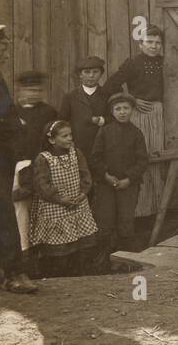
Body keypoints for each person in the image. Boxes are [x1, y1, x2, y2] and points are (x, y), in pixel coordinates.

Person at [0, 27, 37, 294]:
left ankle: (5, 268)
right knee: (1, 209)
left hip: (1, 156)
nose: (7, 53)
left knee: (0, 209)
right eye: (3, 47)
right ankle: (12, 273)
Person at [28, 120, 100, 270]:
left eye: (70, 135)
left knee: (80, 244)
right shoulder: (44, 159)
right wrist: (60, 199)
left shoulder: (76, 153)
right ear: (52, 139)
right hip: (55, 206)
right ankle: (58, 273)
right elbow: (42, 185)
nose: (69, 138)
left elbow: (85, 175)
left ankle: (79, 272)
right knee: (59, 248)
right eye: (64, 136)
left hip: (78, 203)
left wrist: (82, 194)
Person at [107, 27, 165, 218]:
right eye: (149, 42)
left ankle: (155, 207)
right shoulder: (133, 63)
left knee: (156, 157)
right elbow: (112, 84)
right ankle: (138, 210)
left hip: (157, 114)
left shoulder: (162, 62)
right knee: (140, 156)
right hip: (139, 115)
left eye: (157, 42)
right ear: (141, 44)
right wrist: (132, 99)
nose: (154, 46)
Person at [89, 92, 149, 266]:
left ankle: (124, 260)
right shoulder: (105, 131)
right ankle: (103, 260)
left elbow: (142, 160)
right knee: (104, 221)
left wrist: (129, 179)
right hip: (106, 184)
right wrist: (106, 176)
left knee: (126, 221)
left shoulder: (137, 133)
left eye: (126, 108)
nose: (122, 112)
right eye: (118, 109)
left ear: (132, 110)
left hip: (128, 186)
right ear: (112, 111)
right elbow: (95, 157)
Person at [59, 55, 109, 159]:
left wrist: (102, 120)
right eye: (87, 72)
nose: (91, 76)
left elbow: (113, 119)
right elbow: (62, 121)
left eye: (95, 72)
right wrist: (68, 140)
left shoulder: (106, 95)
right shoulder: (70, 96)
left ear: (101, 74)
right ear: (80, 75)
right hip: (77, 146)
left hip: (102, 147)